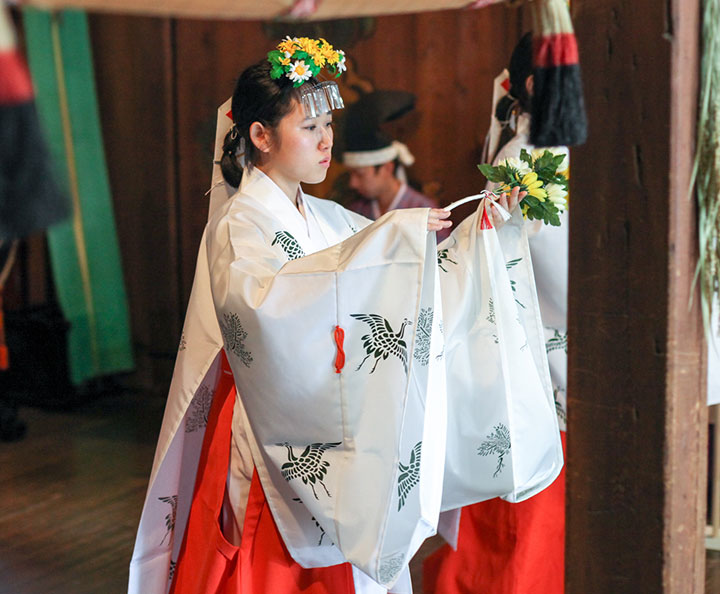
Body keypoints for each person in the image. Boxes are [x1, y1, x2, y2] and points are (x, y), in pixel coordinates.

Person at [126, 37, 552, 594]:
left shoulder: (326, 217)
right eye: (309, 127)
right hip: (270, 431)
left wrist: (481, 230)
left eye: (328, 125)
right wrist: (386, 246)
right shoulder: (237, 224)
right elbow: (263, 307)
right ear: (260, 135)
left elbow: (409, 274)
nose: (327, 140)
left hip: (334, 420)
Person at [425, 31, 569, 594]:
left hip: (550, 344)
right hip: (532, 348)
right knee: (521, 515)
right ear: (534, 86)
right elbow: (556, 277)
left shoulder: (550, 154)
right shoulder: (522, 164)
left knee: (538, 514)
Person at [341, 90, 442, 232]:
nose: (353, 183)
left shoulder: (425, 211)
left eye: (360, 174)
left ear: (387, 168)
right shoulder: (355, 211)